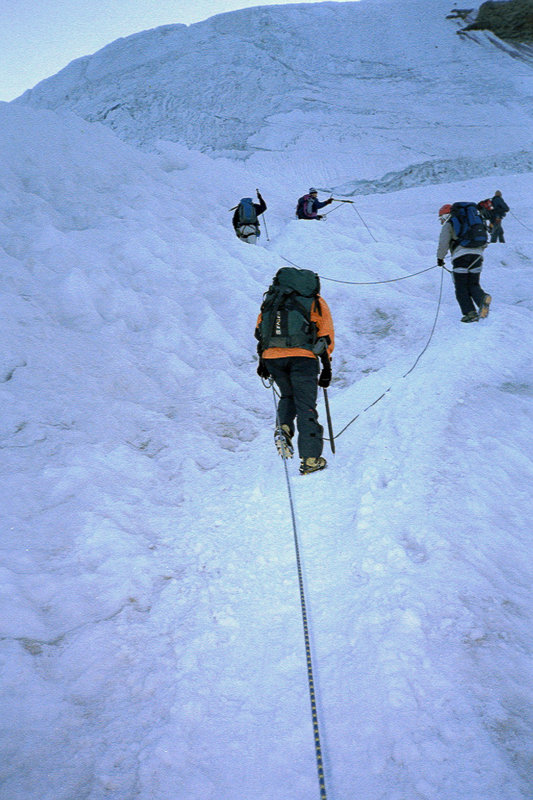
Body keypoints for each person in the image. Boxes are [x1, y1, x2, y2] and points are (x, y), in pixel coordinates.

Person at [255, 267, 335, 474]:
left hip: (272, 357)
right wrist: (326, 366)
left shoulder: (273, 299)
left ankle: (284, 428)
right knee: (306, 406)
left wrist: (263, 361)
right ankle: (310, 459)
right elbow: (326, 335)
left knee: (288, 395)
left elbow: (259, 330)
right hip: (303, 358)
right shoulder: (315, 301)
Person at [437, 203, 491, 323]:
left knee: (461, 287)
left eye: (441, 218)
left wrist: (440, 258)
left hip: (461, 257)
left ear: (445, 215)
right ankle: (482, 298)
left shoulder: (450, 223)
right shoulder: (472, 222)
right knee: (473, 284)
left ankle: (470, 313)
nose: (441, 221)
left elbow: (443, 243)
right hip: (477, 256)